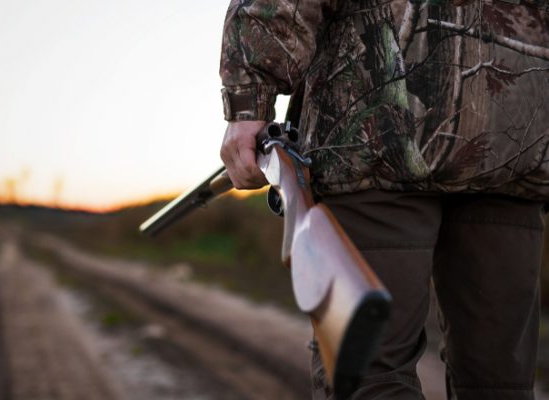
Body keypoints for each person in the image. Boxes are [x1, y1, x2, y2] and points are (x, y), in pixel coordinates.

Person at [218, 1, 549, 399]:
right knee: (501, 385)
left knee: (369, 378)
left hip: (376, 141)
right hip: (517, 143)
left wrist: (248, 100)